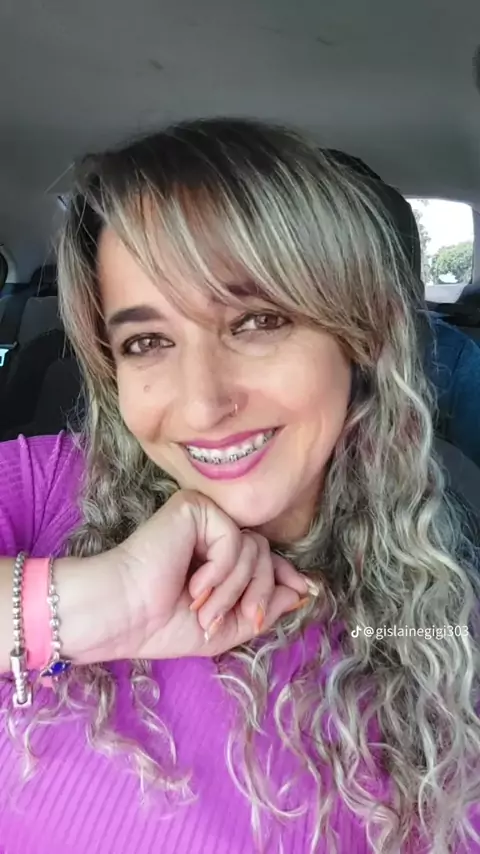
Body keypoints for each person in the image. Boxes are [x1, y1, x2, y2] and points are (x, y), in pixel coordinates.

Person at [0, 118, 479, 854]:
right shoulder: (44, 488)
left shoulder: (434, 640)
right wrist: (99, 601)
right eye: (147, 341)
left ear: (358, 338)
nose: (202, 405)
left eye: (257, 321)